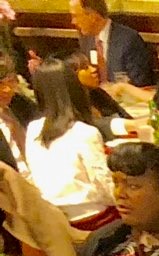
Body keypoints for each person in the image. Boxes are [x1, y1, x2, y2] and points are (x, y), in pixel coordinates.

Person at [24, 58, 112, 223]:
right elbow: (105, 188)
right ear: (74, 88)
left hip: (53, 219)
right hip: (92, 218)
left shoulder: (33, 129)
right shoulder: (85, 132)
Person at [68, 0, 157, 90]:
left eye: (75, 16)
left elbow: (141, 84)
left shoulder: (128, 40)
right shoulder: (86, 40)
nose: (73, 22)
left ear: (93, 16)